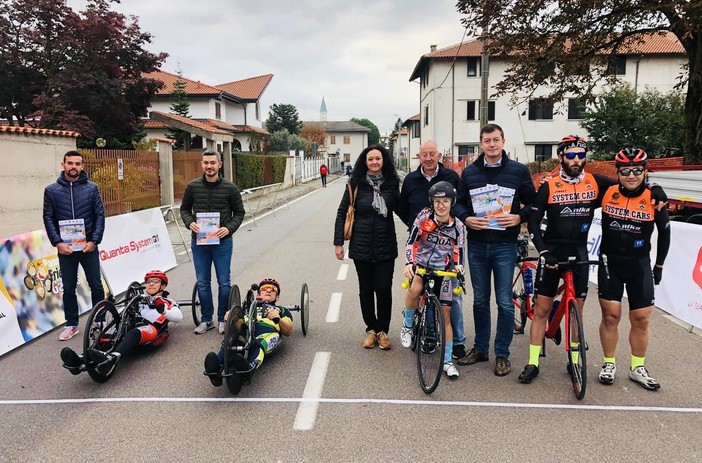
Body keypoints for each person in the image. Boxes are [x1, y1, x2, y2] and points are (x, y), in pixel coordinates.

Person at [453, 124, 537, 376]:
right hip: (478, 244)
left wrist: (518, 217)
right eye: (487, 140)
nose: (492, 144)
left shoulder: (518, 170)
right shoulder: (469, 173)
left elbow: (533, 202)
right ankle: (480, 348)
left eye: (496, 140)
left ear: (503, 141)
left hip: (504, 245)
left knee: (504, 302)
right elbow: (458, 204)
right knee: (480, 300)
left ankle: (502, 353)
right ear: (481, 144)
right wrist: (466, 218)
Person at [597, 148, 670, 390]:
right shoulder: (607, 190)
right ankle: (609, 363)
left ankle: (637, 367)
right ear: (617, 172)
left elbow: (665, 234)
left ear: (645, 171)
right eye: (625, 171)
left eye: (637, 170)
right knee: (611, 316)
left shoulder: (653, 198)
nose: (631, 176)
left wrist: (659, 265)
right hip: (611, 263)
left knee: (641, 318)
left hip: (639, 264)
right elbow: (577, 181)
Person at [396, 140, 468, 361]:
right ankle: (417, 329)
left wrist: (458, 268)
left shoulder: (451, 178)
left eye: (432, 154)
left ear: (439, 155)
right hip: (422, 245)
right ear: (419, 156)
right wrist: (415, 226)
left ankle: (457, 344)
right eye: (424, 154)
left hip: (444, 260)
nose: (428, 158)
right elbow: (401, 206)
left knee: (451, 303)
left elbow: (459, 247)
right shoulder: (411, 180)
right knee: (418, 289)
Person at [333, 145, 400, 350]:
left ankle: (383, 331)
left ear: (383, 160)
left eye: (377, 158)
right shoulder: (355, 184)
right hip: (361, 246)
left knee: (383, 289)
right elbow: (342, 212)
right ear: (365, 161)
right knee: (365, 290)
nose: (374, 162)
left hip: (385, 245)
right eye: (370, 159)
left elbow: (402, 209)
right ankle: (371, 329)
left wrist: (423, 227)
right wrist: (338, 242)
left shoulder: (391, 183)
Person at [60, 270, 183, 376]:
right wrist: (110, 305)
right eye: (149, 281)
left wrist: (163, 310)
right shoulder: (139, 299)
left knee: (135, 333)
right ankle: (80, 358)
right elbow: (122, 313)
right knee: (107, 336)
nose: (151, 283)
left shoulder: (167, 301)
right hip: (130, 325)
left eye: (155, 281)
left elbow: (178, 317)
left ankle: (112, 358)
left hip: (150, 328)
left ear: (163, 286)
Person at [401, 181, 465, 379]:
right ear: (432, 202)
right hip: (422, 266)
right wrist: (409, 263)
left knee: (445, 316)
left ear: (452, 202)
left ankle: (447, 361)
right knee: (414, 289)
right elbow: (411, 241)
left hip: (444, 272)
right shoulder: (423, 217)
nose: (441, 205)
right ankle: (408, 324)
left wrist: (458, 267)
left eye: (445, 201)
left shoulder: (459, 227)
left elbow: (459, 252)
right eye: (437, 201)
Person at [43, 150, 106, 341]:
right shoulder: (51, 190)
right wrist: (58, 242)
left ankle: (100, 321)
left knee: (96, 284)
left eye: (77, 164)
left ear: (82, 166)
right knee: (69, 287)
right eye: (70, 163)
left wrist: (94, 241)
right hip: (66, 250)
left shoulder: (92, 188)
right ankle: (72, 324)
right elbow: (48, 218)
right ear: (63, 165)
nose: (74, 167)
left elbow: (99, 216)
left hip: (88, 247)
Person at [181, 149, 245, 335]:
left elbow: (239, 213)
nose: (209, 166)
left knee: (224, 283)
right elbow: (184, 210)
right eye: (206, 163)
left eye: (212, 163)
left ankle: (222, 319)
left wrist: (229, 228)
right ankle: (206, 320)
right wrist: (189, 222)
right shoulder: (192, 187)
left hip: (222, 243)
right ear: (202, 164)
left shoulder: (230, 188)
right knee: (203, 283)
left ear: (219, 164)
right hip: (199, 243)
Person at [203, 278, 292, 394]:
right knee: (229, 342)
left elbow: (288, 330)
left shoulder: (281, 310)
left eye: (273, 290)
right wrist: (228, 320)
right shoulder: (247, 309)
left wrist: (278, 319)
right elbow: (227, 330)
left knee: (259, 344)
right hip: (244, 330)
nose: (269, 291)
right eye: (265, 289)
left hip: (267, 333)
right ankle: (216, 371)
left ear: (277, 297)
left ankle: (248, 370)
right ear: (259, 294)